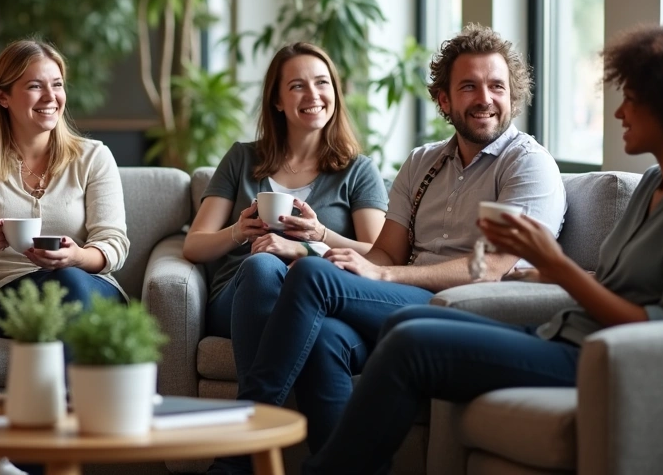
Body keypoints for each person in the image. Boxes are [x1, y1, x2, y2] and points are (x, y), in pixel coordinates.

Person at [304, 24, 663, 475]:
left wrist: (555, 265)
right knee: (408, 320)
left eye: (631, 99)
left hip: (603, 358)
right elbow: (613, 283)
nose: (619, 113)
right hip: (565, 333)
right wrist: (543, 275)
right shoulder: (655, 183)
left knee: (410, 342)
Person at [207, 25, 566, 473]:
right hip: (404, 298)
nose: (485, 98)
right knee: (322, 338)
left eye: (497, 86)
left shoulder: (528, 164)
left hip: (474, 308)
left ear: (514, 95)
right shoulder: (423, 163)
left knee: (312, 276)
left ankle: (237, 458)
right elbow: (385, 254)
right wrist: (348, 259)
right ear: (444, 100)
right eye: (468, 86)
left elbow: (490, 269)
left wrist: (371, 272)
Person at [184, 42, 388, 454]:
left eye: (322, 83)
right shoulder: (242, 159)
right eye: (297, 86)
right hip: (241, 298)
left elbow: (379, 253)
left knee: (310, 314)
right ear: (277, 100)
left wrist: (316, 239)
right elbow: (195, 245)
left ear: (335, 92)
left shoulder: (357, 170)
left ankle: (250, 444)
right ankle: (259, 443)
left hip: (311, 301)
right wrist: (239, 233)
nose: (313, 96)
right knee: (261, 267)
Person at [0, 39, 129, 342]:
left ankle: (55, 389)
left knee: (69, 283)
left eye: (57, 84)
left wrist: (77, 257)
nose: (50, 97)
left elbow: (114, 243)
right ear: (3, 97)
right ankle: (81, 389)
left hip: (88, 284)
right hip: (9, 294)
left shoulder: (93, 156)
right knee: (64, 301)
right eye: (34, 86)